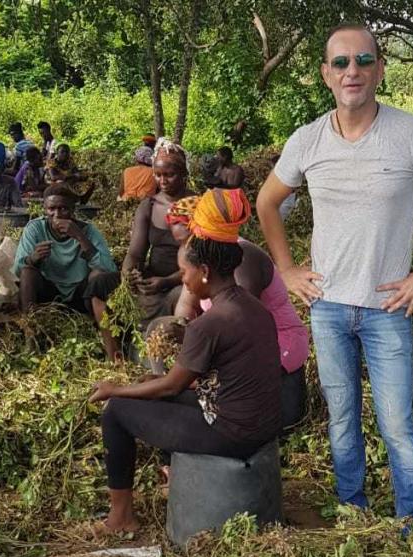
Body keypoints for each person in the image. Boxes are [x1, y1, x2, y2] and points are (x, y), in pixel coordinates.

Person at [256, 23, 413, 530]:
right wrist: (287, 270)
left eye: (363, 61)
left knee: (397, 425)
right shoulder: (307, 140)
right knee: (341, 422)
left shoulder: (410, 133)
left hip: (388, 309)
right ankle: (352, 514)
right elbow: (268, 202)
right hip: (328, 307)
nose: (352, 71)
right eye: (341, 63)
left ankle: (410, 527)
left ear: (379, 70)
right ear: (325, 76)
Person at [88, 204, 283, 535]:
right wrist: (158, 383)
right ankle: (171, 476)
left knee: (117, 412)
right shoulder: (252, 307)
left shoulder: (209, 324)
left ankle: (120, 518)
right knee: (150, 391)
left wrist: (114, 389)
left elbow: (170, 387)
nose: (184, 281)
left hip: (232, 434)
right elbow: (228, 378)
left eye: (185, 272)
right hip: (262, 425)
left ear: (204, 270)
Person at [157, 190, 310, 429]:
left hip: (275, 348)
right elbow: (186, 304)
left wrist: (195, 352)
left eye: (189, 241)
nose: (185, 251)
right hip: (236, 351)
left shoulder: (241, 260)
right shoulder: (200, 265)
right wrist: (184, 328)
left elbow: (242, 329)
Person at [13, 185, 121, 360]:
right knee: (27, 272)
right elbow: (18, 268)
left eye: (63, 208)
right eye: (51, 209)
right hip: (50, 292)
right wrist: (33, 258)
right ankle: (31, 337)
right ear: (44, 210)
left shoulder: (88, 231)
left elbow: (109, 269)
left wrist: (80, 238)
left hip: (81, 293)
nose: (57, 214)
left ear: (72, 210)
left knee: (98, 276)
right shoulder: (35, 228)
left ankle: (104, 338)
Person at [121, 141, 195, 326]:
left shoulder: (196, 205)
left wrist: (167, 281)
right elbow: (135, 253)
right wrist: (130, 274)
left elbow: (200, 261)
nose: (163, 181)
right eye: (158, 175)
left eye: (170, 175)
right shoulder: (149, 206)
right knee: (103, 287)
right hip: (153, 278)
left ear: (184, 174)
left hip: (185, 280)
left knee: (179, 298)